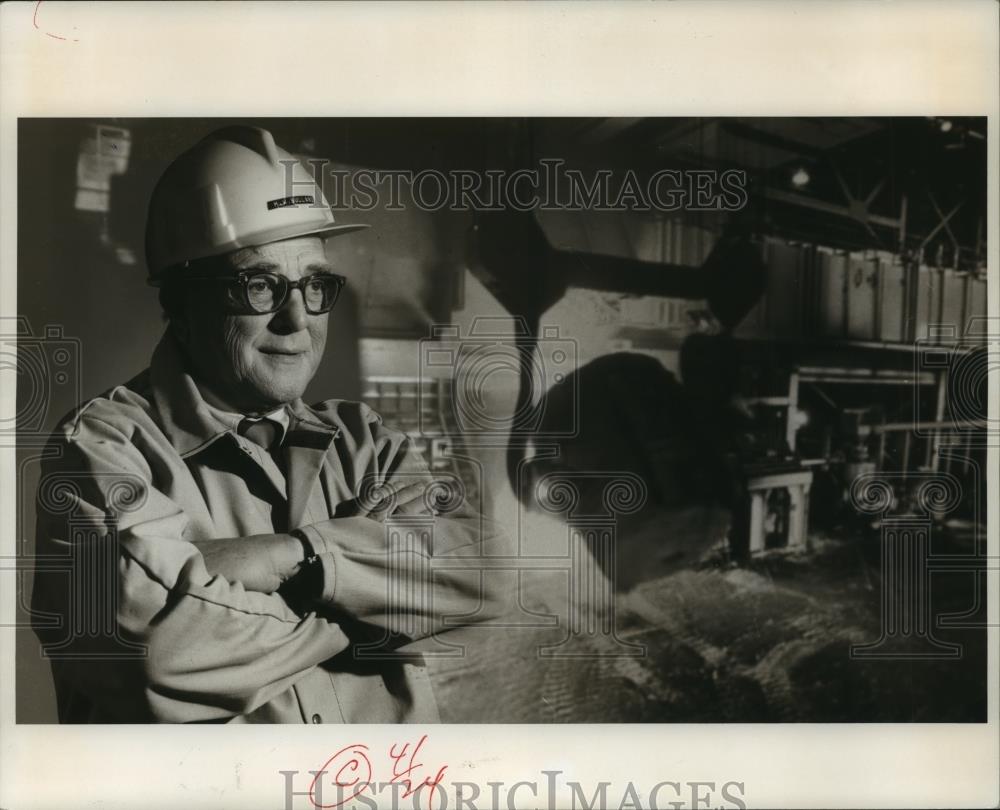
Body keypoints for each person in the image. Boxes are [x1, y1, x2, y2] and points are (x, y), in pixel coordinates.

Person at [31, 126, 506, 723]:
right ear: (180, 302)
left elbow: (483, 574)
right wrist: (365, 601)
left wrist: (294, 556)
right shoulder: (104, 448)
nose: (297, 319)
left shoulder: (366, 442)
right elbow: (157, 653)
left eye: (316, 285)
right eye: (259, 285)